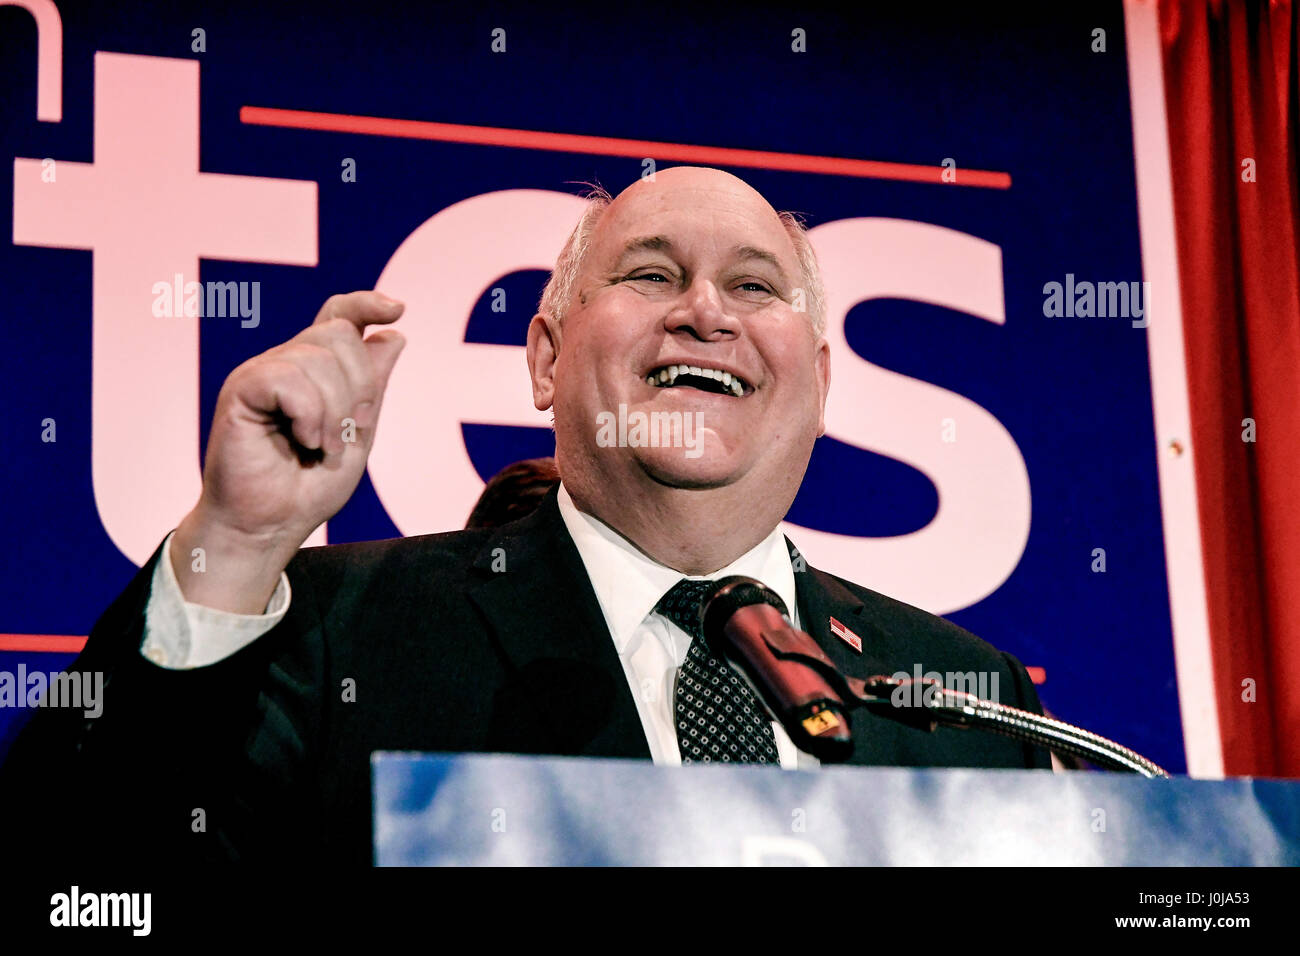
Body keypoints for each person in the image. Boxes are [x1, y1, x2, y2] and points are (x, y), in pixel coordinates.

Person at [1, 167, 1049, 865]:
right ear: (545, 356)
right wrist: (231, 544)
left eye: (752, 285)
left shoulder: (965, 700)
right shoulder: (336, 630)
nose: (706, 310)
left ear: (817, 383)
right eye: (650, 273)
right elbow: (74, 877)